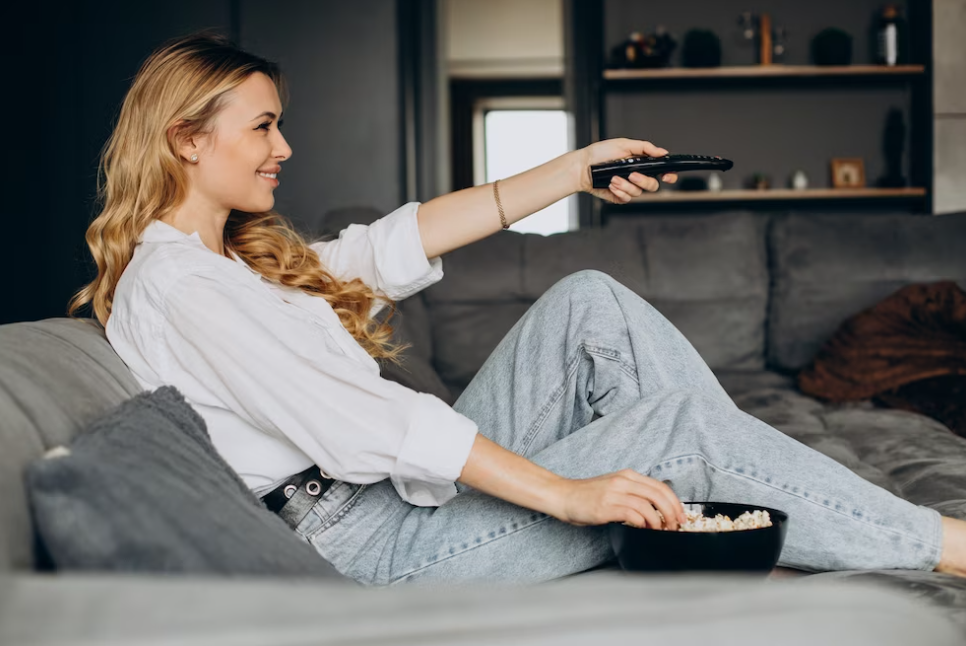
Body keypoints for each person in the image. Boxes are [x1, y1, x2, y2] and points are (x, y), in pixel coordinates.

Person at [68, 30, 966, 587]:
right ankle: (943, 542)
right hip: (365, 548)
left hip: (385, 503)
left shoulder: (229, 260)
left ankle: (730, 509)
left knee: (589, 306)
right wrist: (570, 496)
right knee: (679, 432)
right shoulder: (179, 286)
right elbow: (362, 423)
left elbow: (388, 247)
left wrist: (574, 169)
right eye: (262, 125)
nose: (283, 145)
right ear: (187, 137)